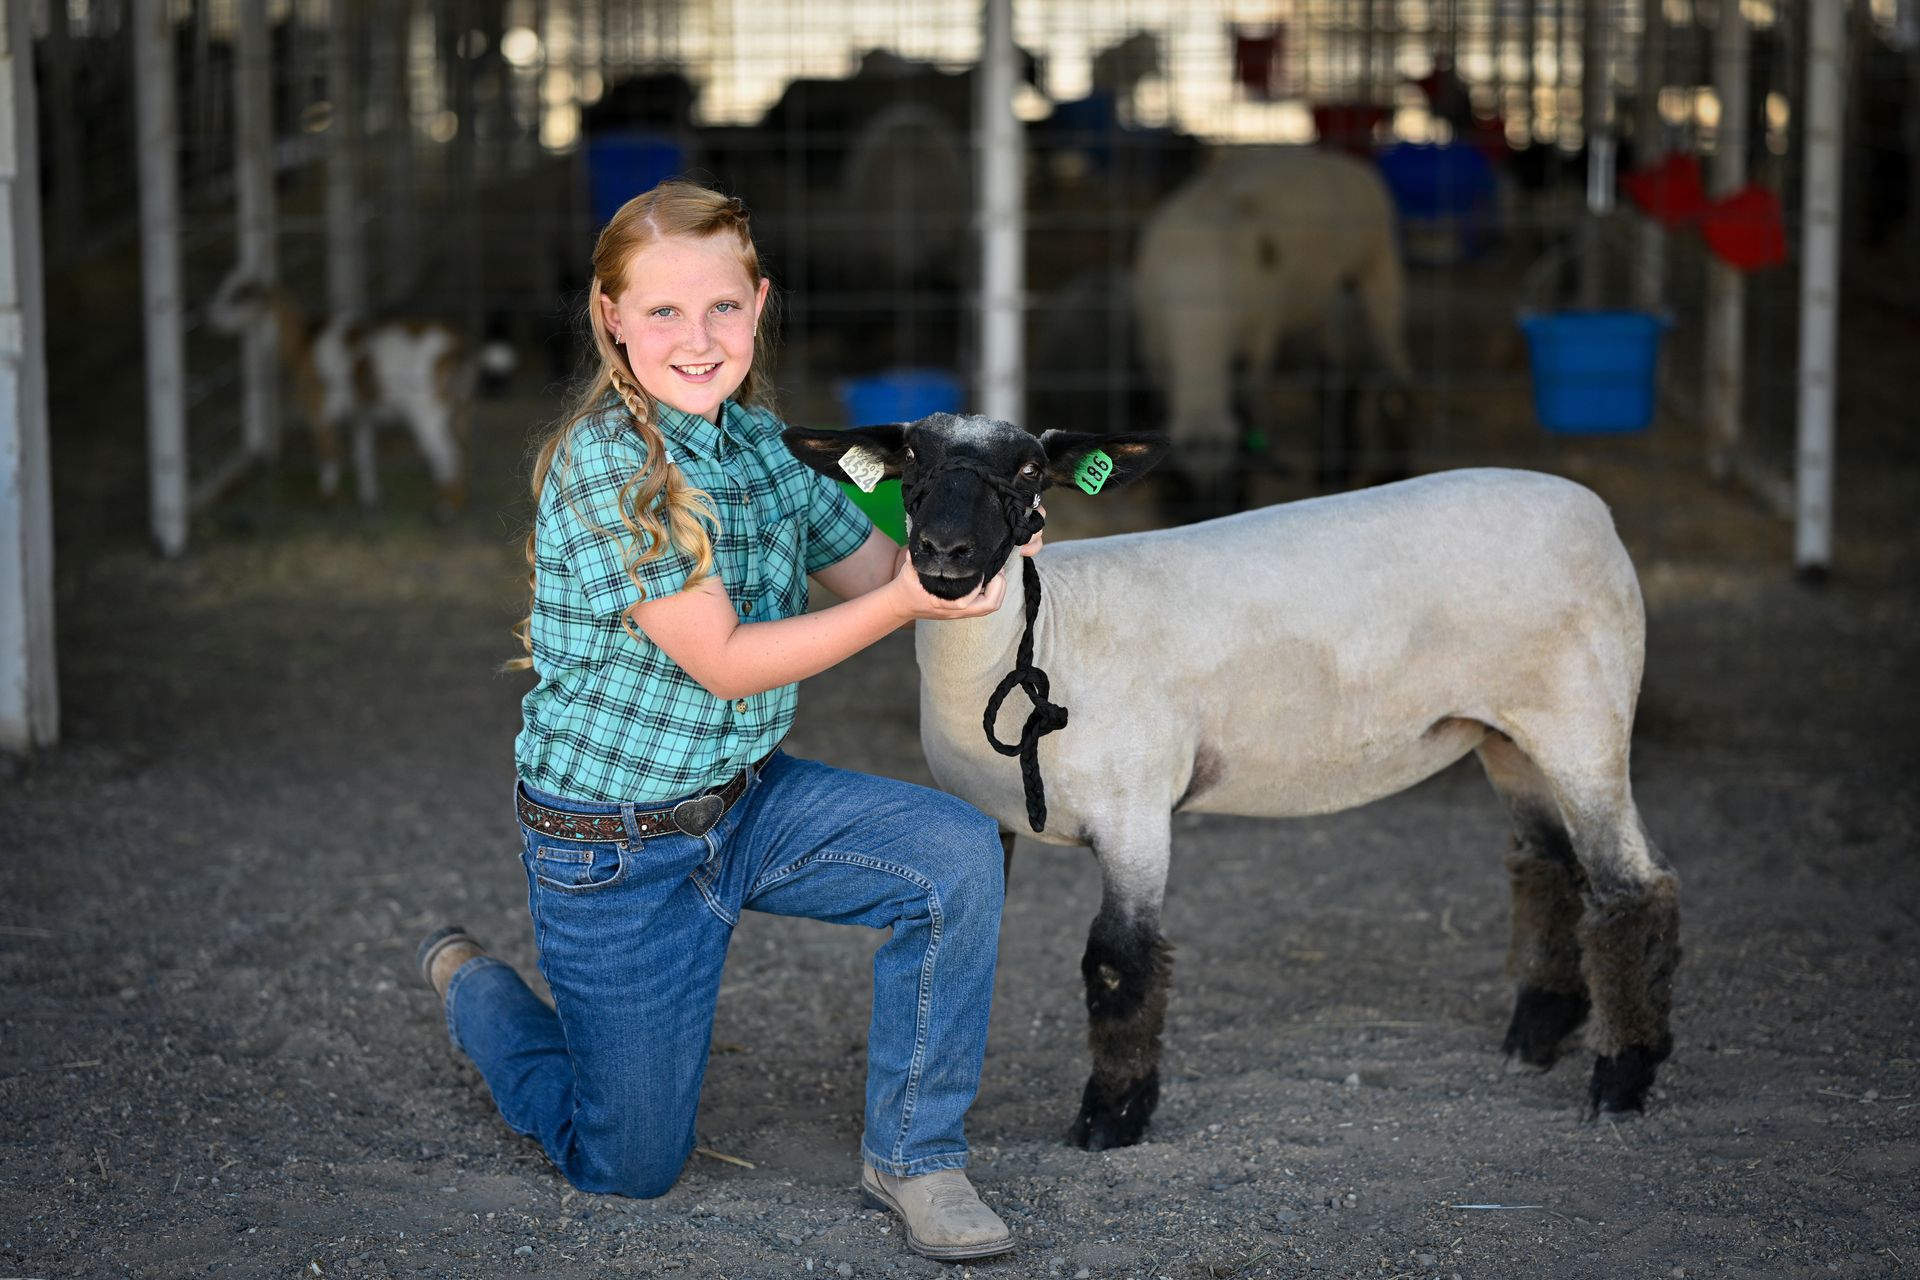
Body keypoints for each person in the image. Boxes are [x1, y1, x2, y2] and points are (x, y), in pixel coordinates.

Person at [415, 180, 1037, 1263]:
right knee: (630, 1169)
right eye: (661, 311)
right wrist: (905, 601)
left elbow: (878, 569)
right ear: (611, 317)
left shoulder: (761, 447)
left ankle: (916, 1154)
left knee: (955, 852)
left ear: (759, 303)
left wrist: (971, 527)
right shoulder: (609, 464)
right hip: (613, 846)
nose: (696, 338)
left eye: (721, 309)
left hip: (750, 802)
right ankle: (479, 992)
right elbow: (725, 663)